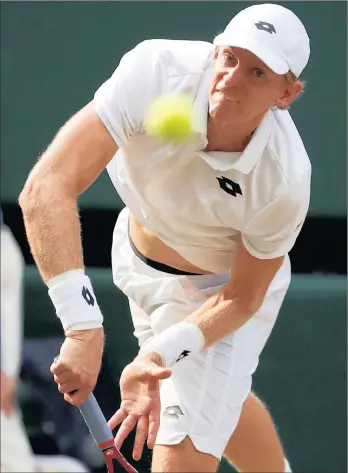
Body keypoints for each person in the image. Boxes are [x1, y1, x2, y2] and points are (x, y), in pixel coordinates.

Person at [19, 3, 311, 472]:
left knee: (192, 417)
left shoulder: (285, 178)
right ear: (215, 52)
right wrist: (82, 328)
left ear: (286, 93)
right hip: (136, 261)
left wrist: (157, 352)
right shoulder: (156, 71)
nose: (232, 79)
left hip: (221, 299)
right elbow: (46, 187)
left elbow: (243, 297)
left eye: (257, 72)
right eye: (229, 58)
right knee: (220, 399)